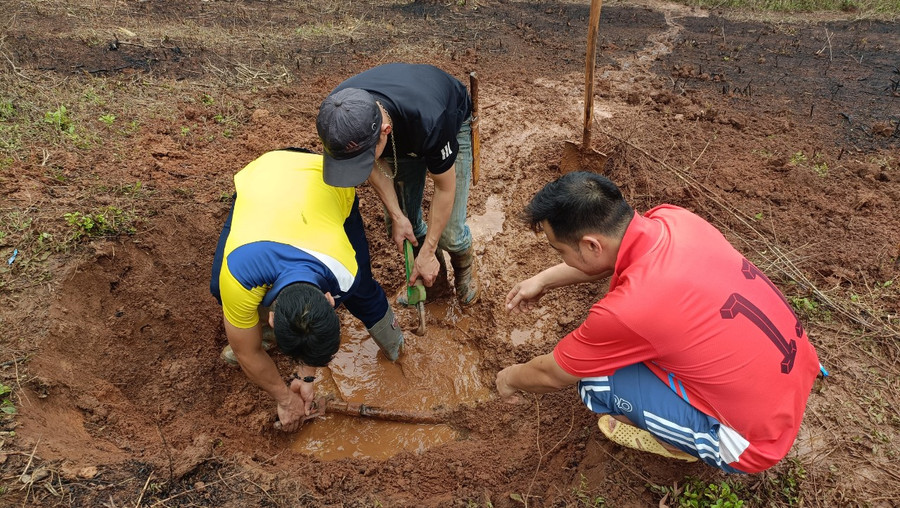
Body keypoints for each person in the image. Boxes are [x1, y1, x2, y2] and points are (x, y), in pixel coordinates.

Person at [496, 171, 821, 473]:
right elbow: (610, 258)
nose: (560, 259)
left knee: (595, 383)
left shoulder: (628, 311)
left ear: (591, 245)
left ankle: (683, 438)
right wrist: (544, 280)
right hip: (797, 365)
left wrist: (508, 378)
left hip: (758, 442)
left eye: (559, 251)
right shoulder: (673, 219)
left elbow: (550, 374)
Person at [210, 148, 405, 433]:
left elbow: (316, 322)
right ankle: (254, 329)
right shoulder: (237, 275)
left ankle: (395, 342)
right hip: (267, 176)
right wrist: (285, 398)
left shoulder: (343, 270)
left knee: (361, 291)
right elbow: (246, 353)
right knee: (219, 289)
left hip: (325, 180)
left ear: (329, 298)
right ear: (272, 319)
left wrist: (308, 376)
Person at [315, 63, 480, 307]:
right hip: (401, 134)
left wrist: (429, 248)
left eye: (364, 157)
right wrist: (397, 215)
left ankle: (464, 267)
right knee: (404, 224)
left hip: (449, 121)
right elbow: (371, 164)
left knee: (450, 235)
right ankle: (436, 281)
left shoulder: (430, 121)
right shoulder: (339, 116)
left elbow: (445, 188)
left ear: (385, 131)